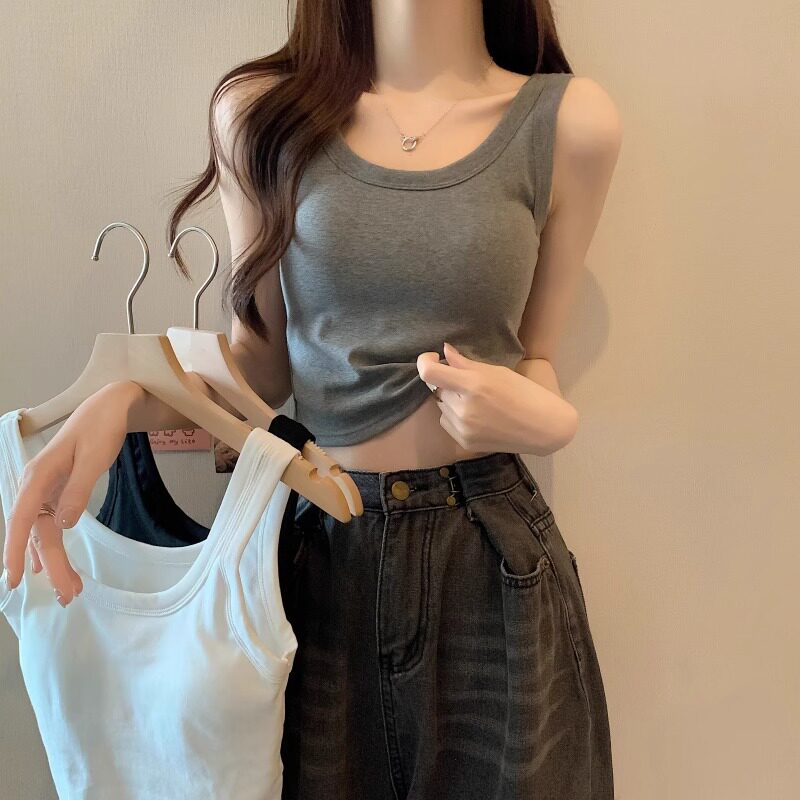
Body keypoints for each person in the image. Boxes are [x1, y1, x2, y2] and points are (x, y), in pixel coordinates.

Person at [3, 1, 622, 797]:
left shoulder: (570, 124)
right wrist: (123, 401)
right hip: (321, 550)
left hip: (492, 558)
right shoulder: (264, 116)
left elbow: (538, 359)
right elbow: (256, 371)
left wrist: (552, 420)